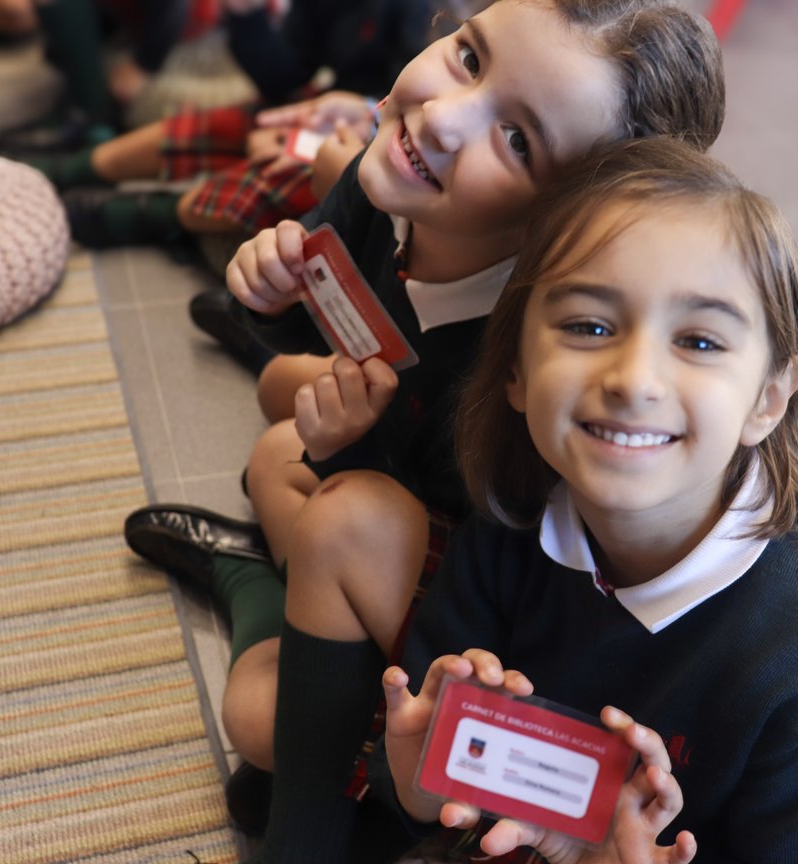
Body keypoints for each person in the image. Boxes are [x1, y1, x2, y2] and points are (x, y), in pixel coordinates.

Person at [123, 0, 727, 856]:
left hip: (482, 605)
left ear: (564, 218)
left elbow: (472, 535)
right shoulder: (390, 179)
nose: (441, 119)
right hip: (393, 506)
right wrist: (272, 298)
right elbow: (328, 321)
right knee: (273, 446)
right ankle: (263, 573)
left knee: (260, 713)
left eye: (518, 140)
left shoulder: (529, 347)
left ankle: (254, 592)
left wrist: (352, 448)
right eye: (470, 57)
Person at [378, 136, 798, 862]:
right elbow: (440, 794)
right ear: (515, 372)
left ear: (769, 399)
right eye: (589, 326)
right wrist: (418, 785)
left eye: (698, 341)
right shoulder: (510, 526)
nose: (633, 378)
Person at [22, 0, 433, 248]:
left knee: (284, 172)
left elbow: (416, 113)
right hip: (333, 107)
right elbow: (285, 78)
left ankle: (147, 217)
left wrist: (314, 140)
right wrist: (248, 17)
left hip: (386, 144)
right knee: (230, 121)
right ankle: (70, 168)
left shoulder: (423, 14)